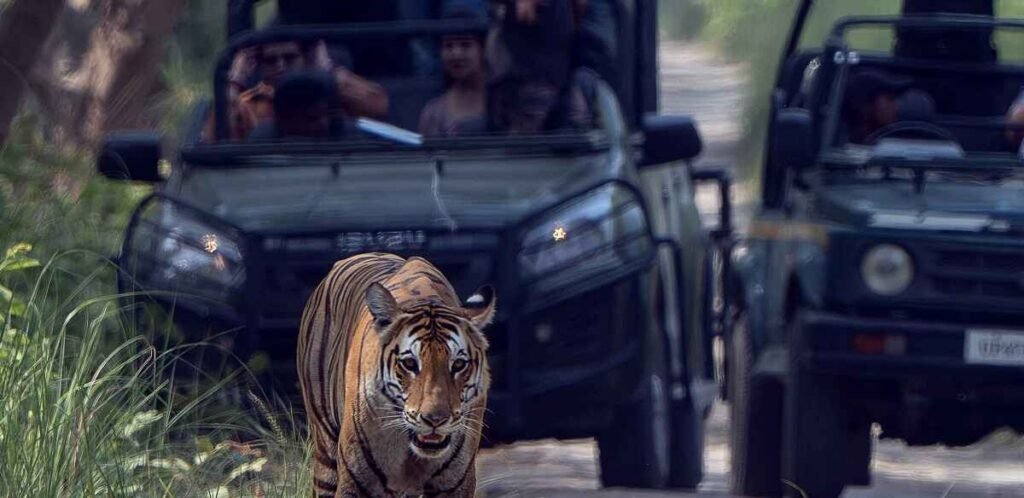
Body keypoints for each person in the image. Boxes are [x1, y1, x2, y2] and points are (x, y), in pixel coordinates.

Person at [223, 40, 388, 140]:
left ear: (306, 58)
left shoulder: (335, 94)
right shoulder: (249, 104)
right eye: (271, 60)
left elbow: (379, 107)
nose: (280, 66)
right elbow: (214, 143)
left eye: (289, 58)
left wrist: (327, 68)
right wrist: (236, 81)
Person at [418, 8, 489, 137]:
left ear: (482, 50)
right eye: (448, 46)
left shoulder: (503, 102)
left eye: (465, 45)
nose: (456, 54)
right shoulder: (433, 113)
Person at [248, 70, 339, 141]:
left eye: (313, 118)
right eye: (312, 118)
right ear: (280, 119)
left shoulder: (349, 138)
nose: (323, 122)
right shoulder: (261, 142)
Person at [843, 70, 913, 144]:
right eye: (890, 99)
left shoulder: (895, 140)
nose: (896, 106)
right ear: (867, 105)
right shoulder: (844, 142)